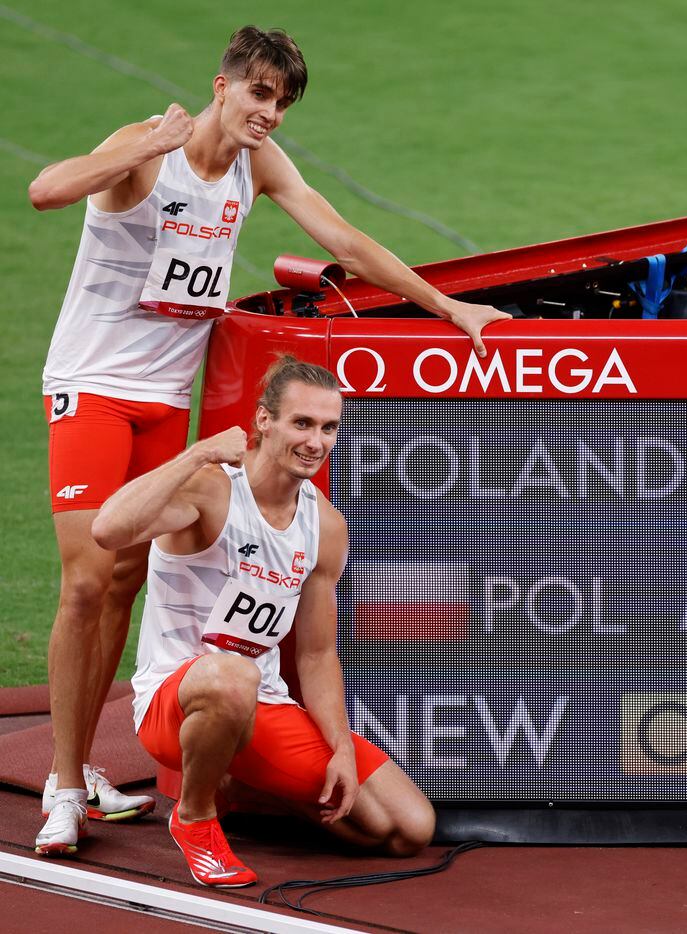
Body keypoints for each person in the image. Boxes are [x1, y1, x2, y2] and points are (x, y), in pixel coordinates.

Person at [29, 25, 506, 856]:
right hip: (95, 388)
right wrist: (146, 146)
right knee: (86, 579)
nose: (269, 113)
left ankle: (89, 772)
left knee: (126, 582)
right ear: (222, 85)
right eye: (258, 93)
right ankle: (65, 784)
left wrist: (450, 308)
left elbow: (345, 241)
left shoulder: (256, 166)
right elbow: (47, 189)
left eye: (282, 102)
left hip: (164, 400)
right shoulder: (148, 147)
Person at [81, 356, 435, 886]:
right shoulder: (211, 489)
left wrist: (339, 745)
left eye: (328, 427)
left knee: (408, 827)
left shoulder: (325, 526)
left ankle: (243, 788)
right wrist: (197, 453)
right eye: (302, 423)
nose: (317, 441)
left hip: (262, 706)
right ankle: (195, 817)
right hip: (174, 702)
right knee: (232, 672)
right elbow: (108, 530)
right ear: (263, 421)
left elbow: (316, 655)